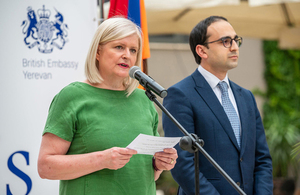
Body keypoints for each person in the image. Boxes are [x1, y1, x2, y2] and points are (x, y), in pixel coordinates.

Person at [38, 17, 178, 195]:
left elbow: (144, 173)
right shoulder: (72, 96)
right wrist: (101, 160)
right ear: (98, 52)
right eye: (119, 47)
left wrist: (158, 165)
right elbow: (45, 167)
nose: (127, 55)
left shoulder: (144, 99)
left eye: (133, 50)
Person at [162, 16, 273, 195]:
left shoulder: (246, 97)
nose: (235, 47)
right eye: (225, 41)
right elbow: (182, 163)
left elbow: (262, 159)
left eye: (236, 40)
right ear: (202, 51)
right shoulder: (179, 94)